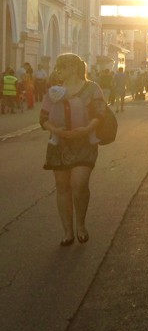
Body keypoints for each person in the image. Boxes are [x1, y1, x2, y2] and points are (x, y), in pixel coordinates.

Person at [39, 54, 105, 246]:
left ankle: (81, 225)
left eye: (63, 66)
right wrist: (55, 130)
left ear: (75, 68)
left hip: (84, 143)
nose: (59, 70)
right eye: (58, 67)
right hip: (59, 144)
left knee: (80, 184)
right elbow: (43, 118)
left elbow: (99, 114)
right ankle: (68, 231)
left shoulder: (91, 88)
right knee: (62, 187)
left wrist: (85, 129)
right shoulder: (54, 91)